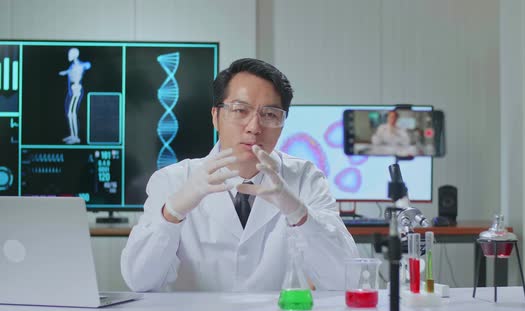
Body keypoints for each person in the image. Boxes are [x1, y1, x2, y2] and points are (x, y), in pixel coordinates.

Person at [121, 58, 359, 292]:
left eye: (270, 114)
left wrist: (300, 214)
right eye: (240, 110)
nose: (254, 127)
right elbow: (139, 281)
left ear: (282, 122)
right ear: (216, 116)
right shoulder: (173, 180)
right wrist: (173, 212)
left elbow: (345, 280)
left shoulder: (306, 178)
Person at [58, 48, 91, 145]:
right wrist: (65, 72)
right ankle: (73, 135)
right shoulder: (73, 66)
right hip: (73, 89)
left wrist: (82, 66)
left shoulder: (79, 65)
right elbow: (69, 71)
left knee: (72, 114)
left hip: (76, 90)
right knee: (70, 114)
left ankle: (76, 137)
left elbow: (88, 65)